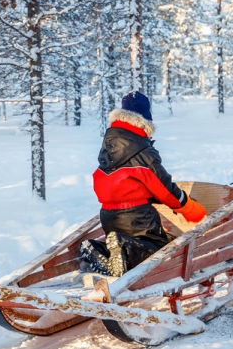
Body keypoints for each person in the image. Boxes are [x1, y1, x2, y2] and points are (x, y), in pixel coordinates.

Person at [81, 91, 207, 277]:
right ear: (145, 120)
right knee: (158, 251)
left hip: (108, 215)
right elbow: (165, 189)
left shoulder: (110, 144)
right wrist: (188, 208)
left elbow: (120, 182)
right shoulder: (142, 150)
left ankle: (98, 248)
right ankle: (123, 248)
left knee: (127, 248)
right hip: (137, 217)